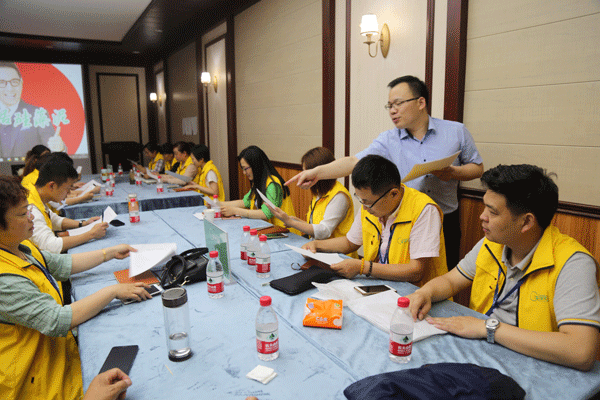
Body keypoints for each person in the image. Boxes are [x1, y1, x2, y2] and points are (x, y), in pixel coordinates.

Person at [406, 164, 600, 371]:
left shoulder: (573, 263)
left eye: (493, 212)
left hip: (534, 366)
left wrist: (488, 328)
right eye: (484, 207)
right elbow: (451, 281)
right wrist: (425, 293)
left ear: (526, 222)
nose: (482, 216)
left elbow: (581, 351)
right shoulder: (492, 243)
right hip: (482, 353)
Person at [287, 75, 483, 271]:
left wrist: (453, 172)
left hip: (446, 218)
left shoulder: (456, 131)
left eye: (398, 103)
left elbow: (477, 167)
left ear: (421, 102)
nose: (392, 111)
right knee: (402, 271)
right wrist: (317, 172)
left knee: (441, 274)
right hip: (401, 217)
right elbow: (354, 161)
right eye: (389, 106)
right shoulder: (388, 139)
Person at [0, 175, 151, 399]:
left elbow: (61, 264)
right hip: (37, 384)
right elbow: (56, 320)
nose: (31, 217)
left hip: (56, 358)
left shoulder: (21, 248)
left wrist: (109, 253)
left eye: (29, 210)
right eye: (23, 214)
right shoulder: (4, 279)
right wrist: (112, 291)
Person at [302, 155, 447, 285]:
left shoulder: (424, 210)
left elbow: (416, 271)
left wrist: (363, 267)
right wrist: (317, 244)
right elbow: (350, 242)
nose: (364, 208)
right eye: (361, 200)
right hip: (380, 285)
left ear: (394, 194)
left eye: (368, 202)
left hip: (417, 294)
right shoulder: (371, 204)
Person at [267, 147, 355, 244]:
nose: (303, 176)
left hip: (334, 251)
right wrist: (295, 221)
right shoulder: (320, 192)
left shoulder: (339, 196)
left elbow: (324, 231)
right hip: (316, 245)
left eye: (306, 172)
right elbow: (316, 226)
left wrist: (291, 222)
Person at [28, 155, 108, 253]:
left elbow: (54, 219)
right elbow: (51, 246)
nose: (69, 193)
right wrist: (91, 234)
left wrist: (84, 224)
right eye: (67, 188)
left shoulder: (36, 195)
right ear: (52, 186)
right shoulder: (30, 208)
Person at [219, 145, 297, 230]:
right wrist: (217, 204)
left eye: (246, 168)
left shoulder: (272, 184)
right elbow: (245, 202)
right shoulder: (259, 181)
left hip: (284, 232)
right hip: (271, 230)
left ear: (256, 165)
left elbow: (266, 213)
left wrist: (235, 211)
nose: (244, 173)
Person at [0, 62, 67, 158]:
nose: (10, 88)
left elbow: (51, 142)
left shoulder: (37, 113)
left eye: (14, 81)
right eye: (2, 82)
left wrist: (59, 149)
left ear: (21, 83)